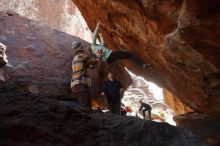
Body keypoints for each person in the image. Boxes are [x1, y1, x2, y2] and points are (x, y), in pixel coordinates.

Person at [71, 41, 97, 108]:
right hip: (80, 84)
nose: (83, 46)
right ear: (80, 47)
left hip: (76, 85)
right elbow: (94, 62)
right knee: (86, 108)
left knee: (85, 107)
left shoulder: (75, 58)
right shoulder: (82, 56)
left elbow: (90, 65)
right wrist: (97, 55)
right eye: (81, 45)